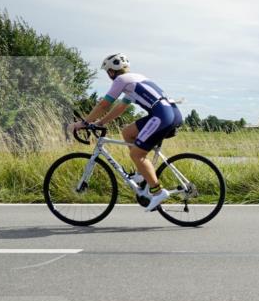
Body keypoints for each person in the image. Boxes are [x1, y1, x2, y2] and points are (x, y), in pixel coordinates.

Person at [68, 53, 182, 211]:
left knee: (137, 155)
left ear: (111, 71)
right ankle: (142, 174)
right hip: (171, 113)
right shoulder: (135, 78)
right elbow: (121, 107)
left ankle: (157, 192)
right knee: (127, 132)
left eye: (107, 72)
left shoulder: (121, 80)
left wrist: (84, 123)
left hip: (162, 116)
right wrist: (100, 123)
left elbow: (104, 104)